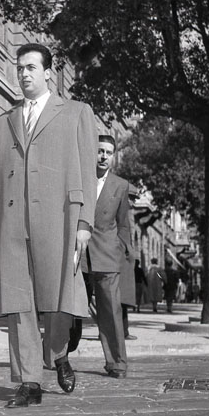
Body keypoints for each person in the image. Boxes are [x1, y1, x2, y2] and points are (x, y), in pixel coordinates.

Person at [0, 43, 97, 408]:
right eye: (19, 68)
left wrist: (84, 221)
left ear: (48, 72)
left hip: (60, 218)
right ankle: (29, 381)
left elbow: (87, 170)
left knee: (59, 297)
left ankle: (59, 352)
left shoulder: (77, 113)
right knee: (19, 302)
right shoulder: (2, 123)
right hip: (12, 222)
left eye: (31, 67)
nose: (23, 74)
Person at [80, 135, 134, 378]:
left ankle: (117, 363)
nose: (103, 156)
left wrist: (121, 249)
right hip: (77, 252)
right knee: (65, 310)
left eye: (108, 153)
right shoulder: (79, 177)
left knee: (111, 311)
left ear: (113, 157)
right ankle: (54, 356)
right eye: (100, 150)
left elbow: (123, 224)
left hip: (107, 255)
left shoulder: (120, 185)